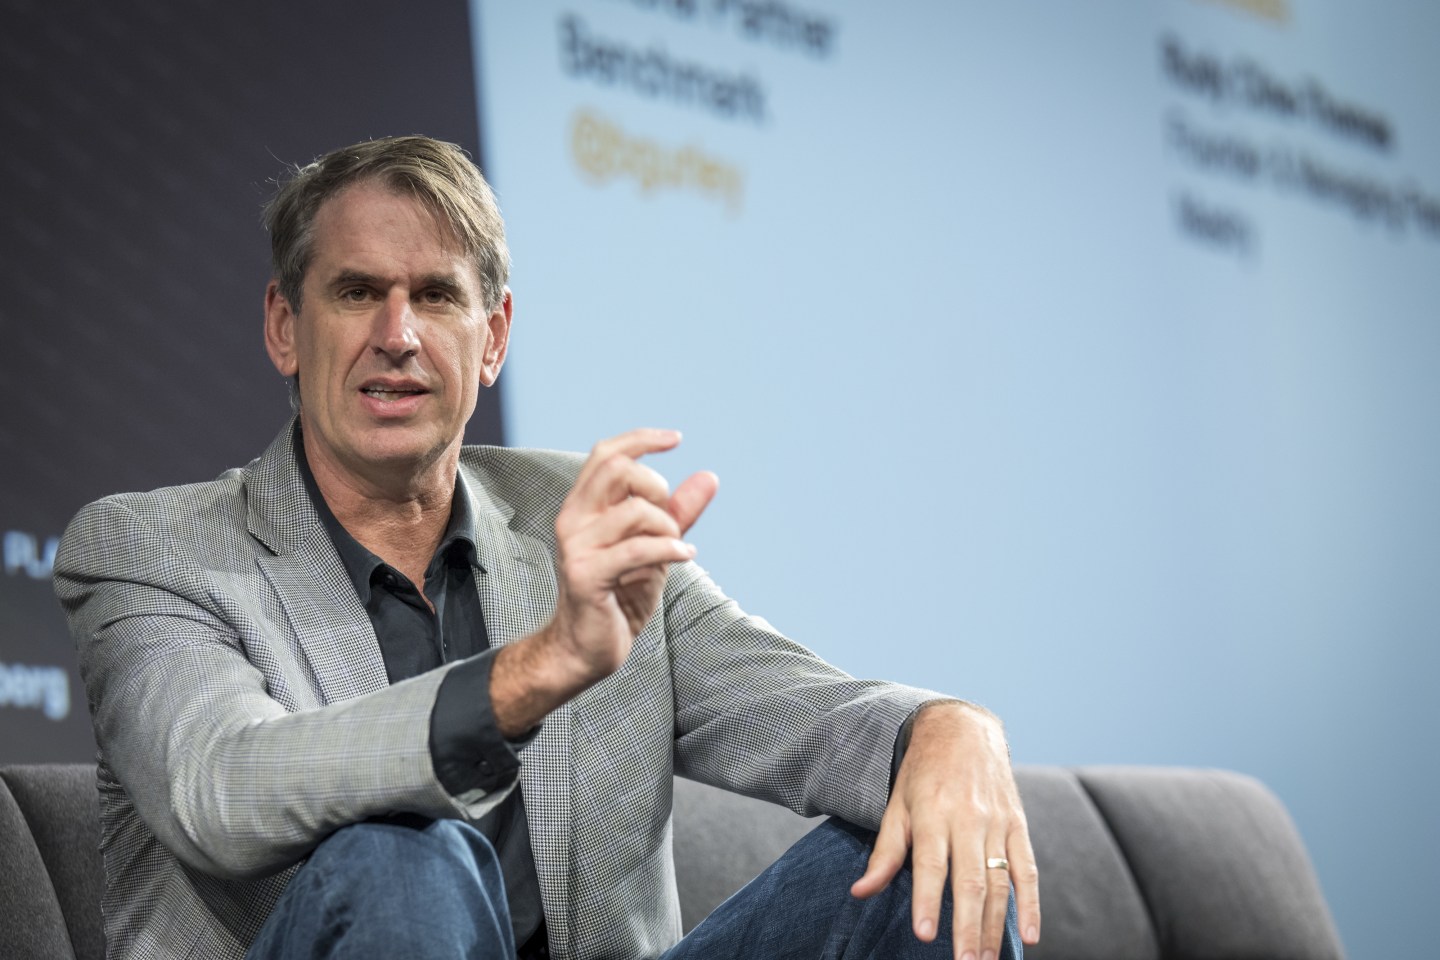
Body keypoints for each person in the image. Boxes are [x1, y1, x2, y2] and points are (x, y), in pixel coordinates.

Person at [54, 136, 1039, 960]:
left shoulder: (572, 518)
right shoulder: (153, 549)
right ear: (284, 326)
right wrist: (544, 666)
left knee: (938, 860)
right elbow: (220, 788)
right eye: (357, 292)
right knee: (405, 860)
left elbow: (813, 723)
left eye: (437, 296)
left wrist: (948, 729)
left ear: (493, 337)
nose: (397, 334)